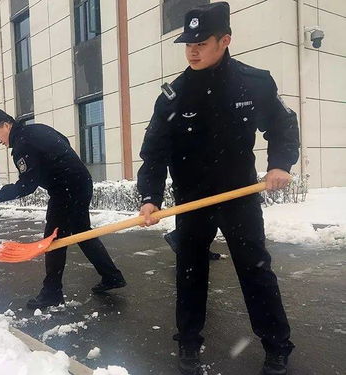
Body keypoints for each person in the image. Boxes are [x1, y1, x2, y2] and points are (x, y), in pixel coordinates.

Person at [136, 3, 299, 375]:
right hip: (191, 200)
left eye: (201, 42)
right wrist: (149, 198)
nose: (192, 50)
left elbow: (282, 125)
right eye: (187, 43)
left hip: (238, 195)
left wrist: (279, 164)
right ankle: (189, 342)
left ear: (224, 40)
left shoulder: (254, 82)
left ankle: (277, 345)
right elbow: (155, 152)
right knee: (190, 271)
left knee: (255, 270)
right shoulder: (173, 96)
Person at [0, 109, 126, 309]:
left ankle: (52, 293)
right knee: (81, 233)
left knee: (53, 239)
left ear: (6, 125)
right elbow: (63, 141)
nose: (0, 141)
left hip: (65, 189)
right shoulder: (37, 130)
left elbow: (27, 185)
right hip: (81, 181)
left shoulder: (22, 144)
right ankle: (111, 276)